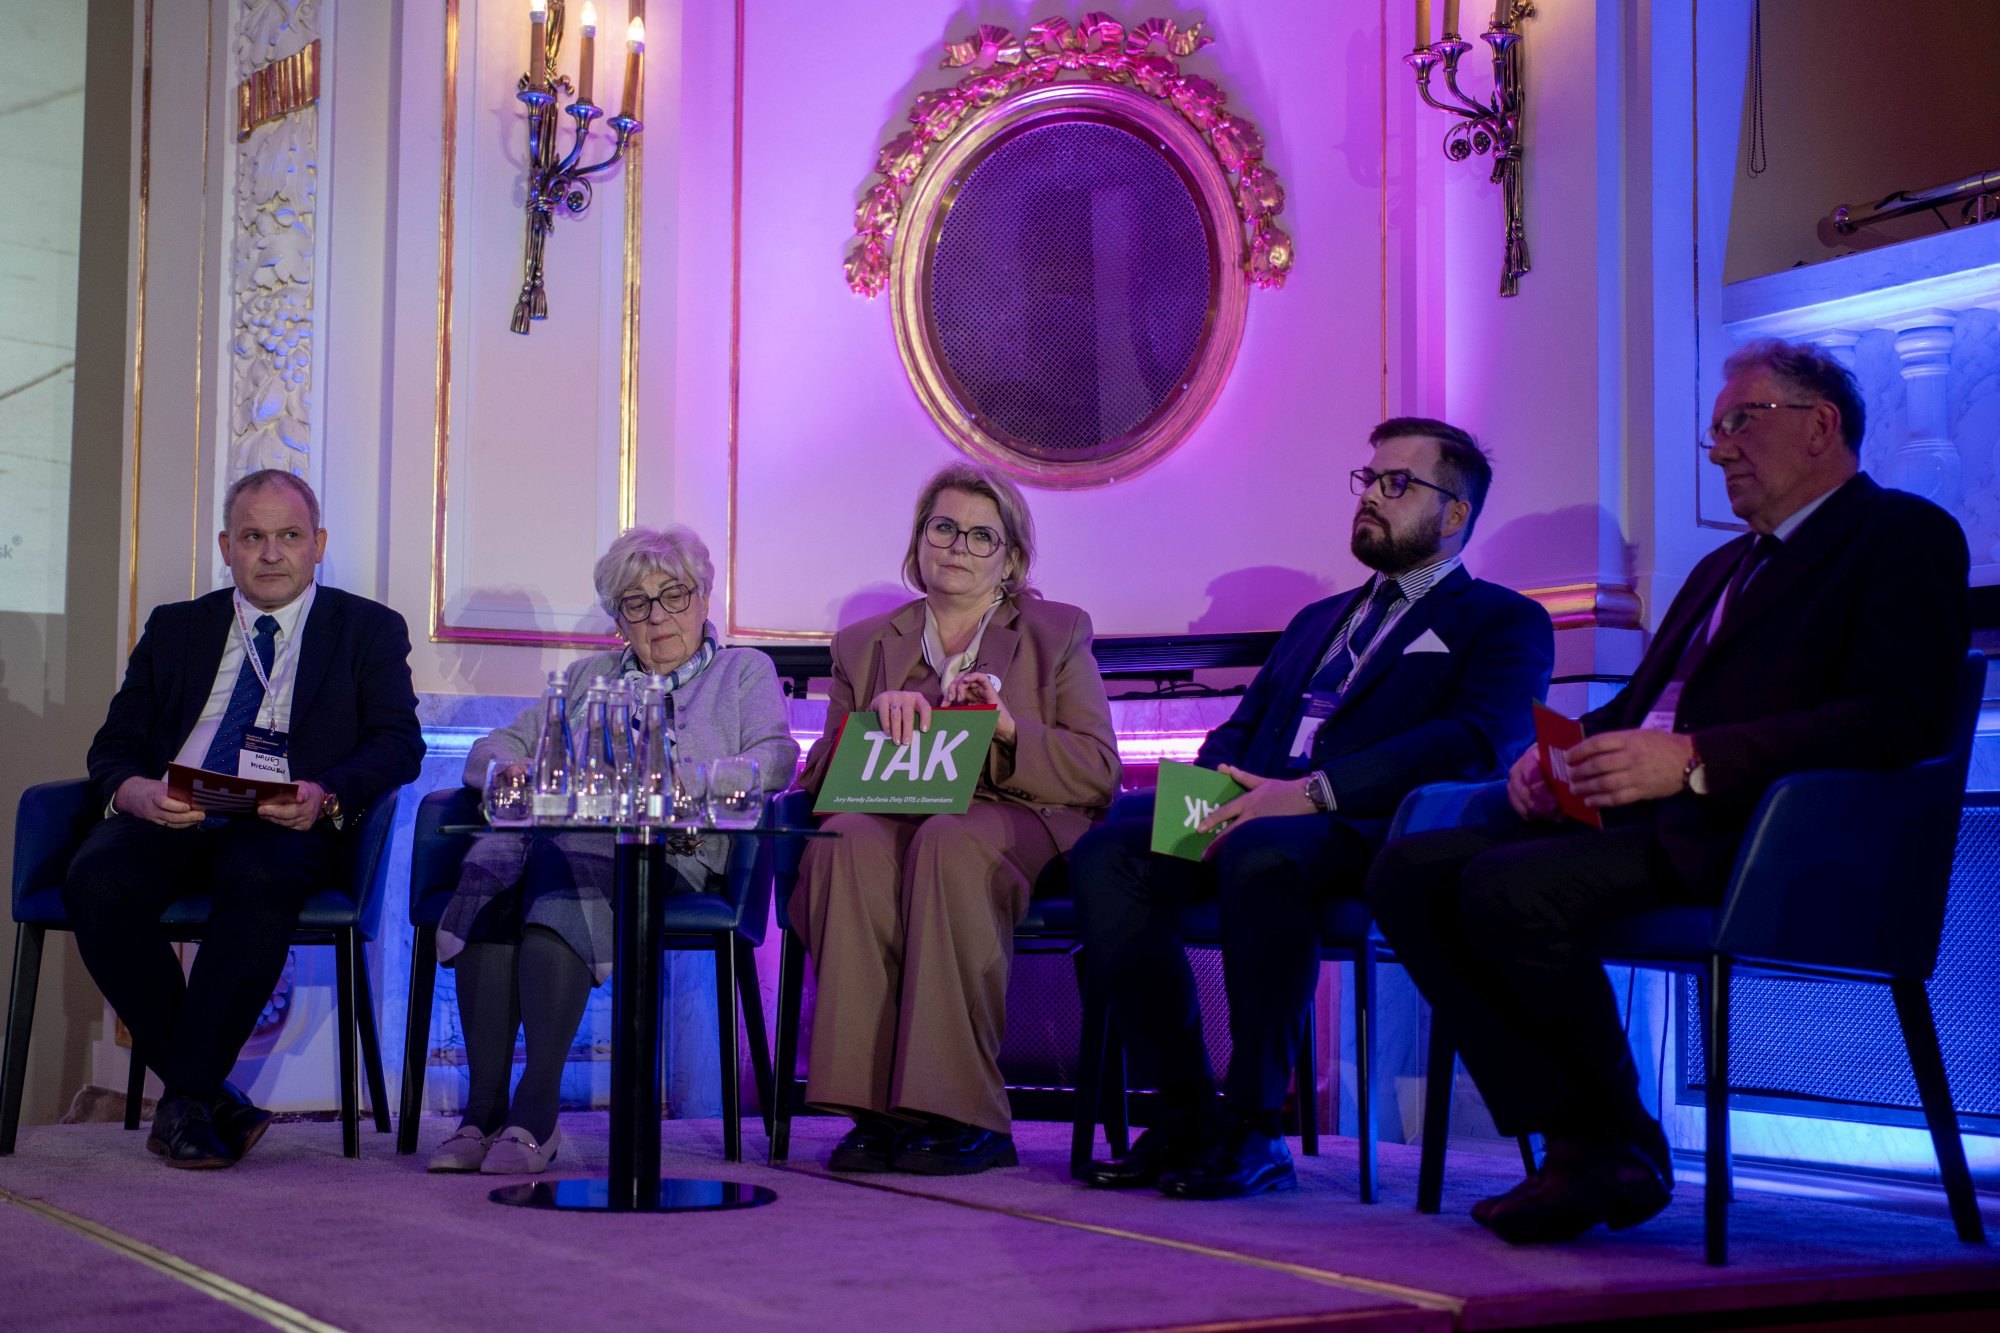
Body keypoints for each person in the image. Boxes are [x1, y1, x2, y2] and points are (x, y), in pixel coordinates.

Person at [1364, 339, 1971, 1244]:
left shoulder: (1901, 535)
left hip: (1774, 839)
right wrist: (1561, 754)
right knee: (1406, 872)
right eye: (1714, 431)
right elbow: (1644, 704)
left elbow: (1894, 720)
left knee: (1504, 887)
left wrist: (1694, 761)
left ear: (1821, 426)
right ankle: (1596, 1136)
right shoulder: (1723, 566)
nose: (1719, 448)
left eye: (1740, 422)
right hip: (1652, 823)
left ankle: (1601, 1141)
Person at [1069, 418, 1553, 1199]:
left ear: (1454, 513)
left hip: (1368, 830)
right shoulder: (1315, 621)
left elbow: (1475, 742)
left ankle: (1256, 1123)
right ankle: (1187, 1110)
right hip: (1253, 807)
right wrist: (1218, 787)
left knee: (1263, 852)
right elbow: (1241, 726)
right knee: (1107, 852)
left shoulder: (1501, 619)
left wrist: (1309, 793)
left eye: (1398, 483)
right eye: (1369, 479)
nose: (1372, 496)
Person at [68, 470, 424, 1168]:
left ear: (318, 543)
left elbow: (397, 743)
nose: (270, 553)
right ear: (226, 546)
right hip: (174, 809)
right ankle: (204, 1098)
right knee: (96, 878)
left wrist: (325, 793)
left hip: (281, 821)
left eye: (289, 535)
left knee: (260, 875)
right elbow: (115, 743)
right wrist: (134, 792)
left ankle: (188, 1096)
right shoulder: (178, 627)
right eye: (253, 537)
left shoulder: (368, 630)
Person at [429, 525, 798, 1174]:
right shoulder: (587, 678)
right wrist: (504, 771)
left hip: (675, 849)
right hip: (565, 847)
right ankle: (481, 1113)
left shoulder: (743, 671)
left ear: (703, 597)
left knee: (553, 861)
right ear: (618, 620)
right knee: (504, 862)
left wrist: (687, 780)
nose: (657, 616)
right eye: (636, 603)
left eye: (674, 595)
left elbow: (777, 758)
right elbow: (496, 746)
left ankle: (534, 1110)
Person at [794, 461, 1121, 1175]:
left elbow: (1098, 769)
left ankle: (964, 1111)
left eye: (981, 536)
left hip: (1018, 817)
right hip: (896, 813)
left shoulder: (1057, 631)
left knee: (948, 840)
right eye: (943, 528)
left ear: (1011, 558)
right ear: (919, 540)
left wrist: (1008, 729)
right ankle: (874, 1109)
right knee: (844, 839)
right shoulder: (862, 644)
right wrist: (870, 726)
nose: (958, 547)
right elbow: (817, 777)